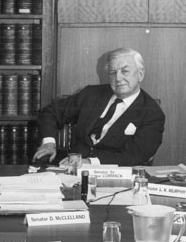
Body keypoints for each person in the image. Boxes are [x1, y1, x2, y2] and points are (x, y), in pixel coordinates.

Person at [33, 47, 165, 167]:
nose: (118, 78)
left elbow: (134, 157)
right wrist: (49, 143)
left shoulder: (152, 113)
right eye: (113, 72)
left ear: (140, 74)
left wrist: (90, 162)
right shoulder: (91, 94)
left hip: (113, 176)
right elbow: (50, 112)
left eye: (125, 71)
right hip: (70, 170)